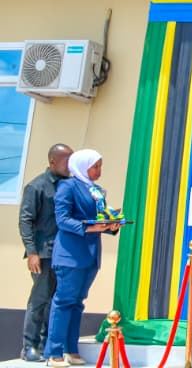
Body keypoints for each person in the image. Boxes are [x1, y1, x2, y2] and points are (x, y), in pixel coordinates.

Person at [45, 149, 120, 368]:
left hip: (90, 254)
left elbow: (97, 219)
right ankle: (54, 352)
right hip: (70, 255)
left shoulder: (96, 190)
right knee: (64, 302)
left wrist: (111, 224)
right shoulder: (68, 186)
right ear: (81, 166)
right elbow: (63, 219)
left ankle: (71, 349)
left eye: (100, 166)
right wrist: (90, 228)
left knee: (77, 303)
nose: (99, 171)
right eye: (94, 166)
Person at [19, 144, 72, 363]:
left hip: (63, 253)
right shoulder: (37, 186)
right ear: (53, 162)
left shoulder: (68, 186)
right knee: (39, 300)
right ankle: (28, 346)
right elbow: (26, 220)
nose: (70, 166)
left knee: (54, 301)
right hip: (43, 253)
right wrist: (32, 252)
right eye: (66, 161)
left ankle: (44, 344)